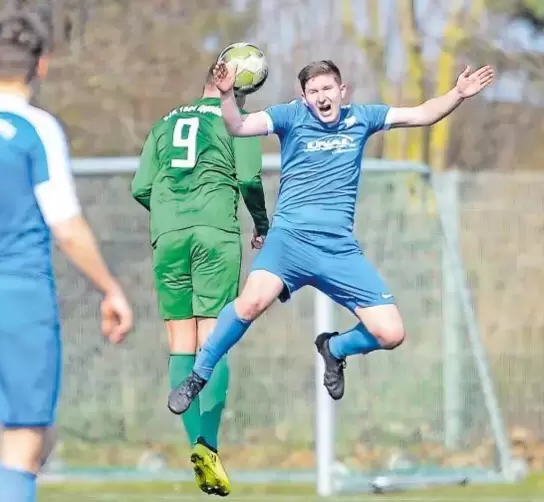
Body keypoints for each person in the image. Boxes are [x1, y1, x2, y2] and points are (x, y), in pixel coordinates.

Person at [167, 58, 493, 415]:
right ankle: (199, 375)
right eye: (313, 92)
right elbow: (239, 126)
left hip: (338, 249)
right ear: (304, 97)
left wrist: (458, 94)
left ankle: (334, 349)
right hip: (289, 241)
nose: (321, 97)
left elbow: (421, 114)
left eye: (326, 89)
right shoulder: (291, 117)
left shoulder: (362, 117)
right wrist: (227, 94)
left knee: (390, 333)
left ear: (341, 91)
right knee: (250, 303)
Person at [0, 7, 133, 502]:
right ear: (43, 65)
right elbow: (67, 226)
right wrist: (111, 289)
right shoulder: (36, 130)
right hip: (17, 300)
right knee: (23, 441)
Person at [131, 63, 268, 497]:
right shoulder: (235, 121)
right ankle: (209, 446)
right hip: (214, 233)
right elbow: (247, 178)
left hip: (168, 235)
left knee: (180, 342)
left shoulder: (165, 123)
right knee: (214, 338)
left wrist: (173, 215)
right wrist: (261, 223)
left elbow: (141, 187)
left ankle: (194, 447)